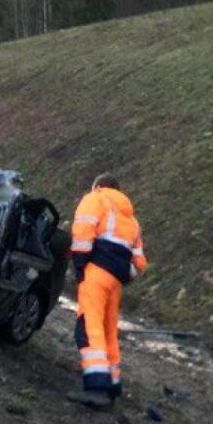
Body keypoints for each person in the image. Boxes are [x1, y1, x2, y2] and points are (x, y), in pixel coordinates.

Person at [67, 174, 148, 408]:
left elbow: (82, 232)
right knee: (108, 330)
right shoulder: (132, 221)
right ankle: (112, 383)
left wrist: (80, 266)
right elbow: (139, 262)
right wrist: (122, 275)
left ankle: (96, 387)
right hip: (115, 281)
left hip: (95, 272)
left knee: (89, 328)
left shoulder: (97, 199)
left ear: (98, 186)